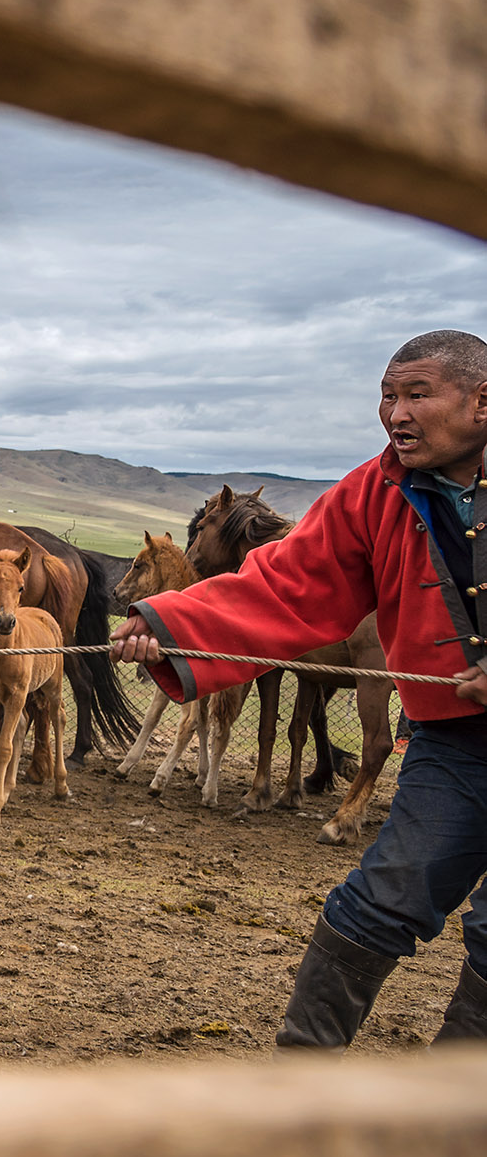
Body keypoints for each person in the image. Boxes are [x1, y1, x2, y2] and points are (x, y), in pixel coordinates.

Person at [112, 330, 487, 1050]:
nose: (394, 414)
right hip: (453, 743)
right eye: (386, 395)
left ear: (479, 401)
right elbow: (287, 583)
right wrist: (169, 623)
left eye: (416, 394)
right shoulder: (371, 493)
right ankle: (298, 1076)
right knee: (378, 900)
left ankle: (461, 1112)